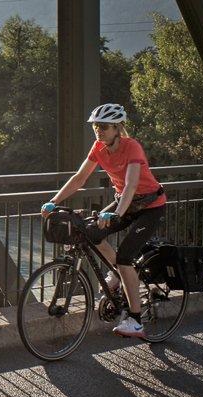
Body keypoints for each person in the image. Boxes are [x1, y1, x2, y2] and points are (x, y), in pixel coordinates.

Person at [41, 103, 166, 338]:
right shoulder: (99, 147)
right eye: (96, 126)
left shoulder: (132, 147)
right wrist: (53, 201)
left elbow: (130, 186)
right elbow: (79, 178)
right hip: (124, 203)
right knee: (90, 232)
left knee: (125, 257)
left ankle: (136, 321)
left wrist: (117, 212)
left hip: (149, 206)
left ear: (117, 128)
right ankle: (117, 274)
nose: (99, 131)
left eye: (104, 127)